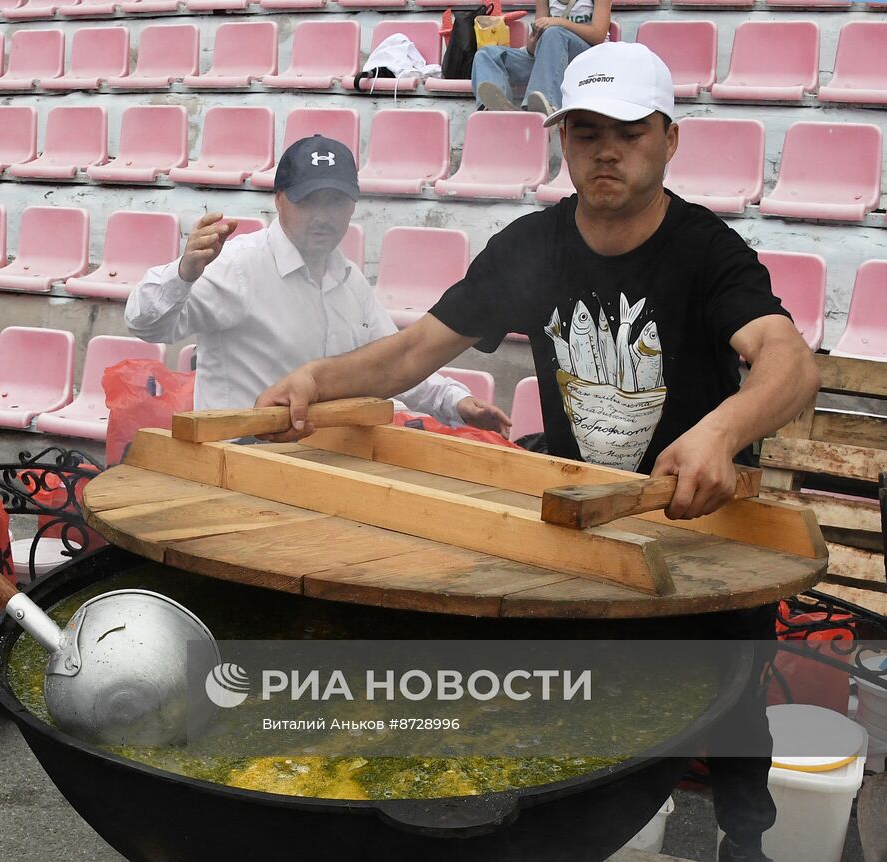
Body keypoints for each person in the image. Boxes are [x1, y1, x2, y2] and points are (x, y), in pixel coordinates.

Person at [257, 43, 819, 862]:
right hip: (583, 525)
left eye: (627, 131)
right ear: (562, 141)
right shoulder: (531, 248)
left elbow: (788, 360)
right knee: (578, 696)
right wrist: (318, 377)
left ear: (669, 137)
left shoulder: (708, 252)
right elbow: (414, 352)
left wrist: (720, 432)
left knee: (734, 707)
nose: (605, 150)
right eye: (584, 131)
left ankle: (746, 840)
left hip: (703, 531)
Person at [126, 135, 511, 434]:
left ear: (353, 207)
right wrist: (184, 271)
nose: (323, 217)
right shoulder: (237, 265)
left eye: (335, 202)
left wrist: (458, 402)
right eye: (309, 201)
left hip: (321, 464)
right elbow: (144, 324)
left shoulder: (349, 280)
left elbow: (390, 364)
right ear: (279, 200)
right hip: (238, 461)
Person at [473, 0, 612, 116]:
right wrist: (534, 40)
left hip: (586, 62)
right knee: (487, 55)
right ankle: (496, 111)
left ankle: (544, 106)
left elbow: (598, 35)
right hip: (551, 60)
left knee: (554, 33)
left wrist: (559, 23)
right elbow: (534, 50)